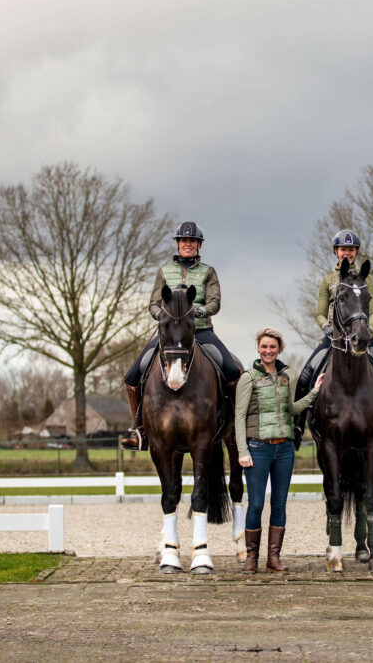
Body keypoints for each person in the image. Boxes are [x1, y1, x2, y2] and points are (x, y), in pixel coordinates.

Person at [122, 221, 242, 451]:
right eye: (184, 241)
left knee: (231, 371)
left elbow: (214, 302)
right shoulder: (164, 271)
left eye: (192, 241)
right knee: (132, 377)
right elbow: (153, 304)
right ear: (178, 244)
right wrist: (162, 316)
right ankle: (139, 429)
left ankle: (235, 428)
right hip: (169, 334)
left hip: (201, 331)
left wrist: (202, 310)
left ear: (199, 245)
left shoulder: (208, 272)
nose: (188, 245)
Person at [293, 229, 373, 449]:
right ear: (336, 252)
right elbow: (320, 312)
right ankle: (297, 427)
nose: (347, 253)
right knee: (304, 378)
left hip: (362, 336)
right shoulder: (328, 280)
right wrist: (326, 328)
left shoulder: (365, 278)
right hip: (335, 337)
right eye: (343, 249)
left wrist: (368, 329)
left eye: (351, 249)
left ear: (356, 252)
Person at [235, 327, 322, 573]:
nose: (268, 351)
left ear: (279, 349)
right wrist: (243, 450)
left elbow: (291, 410)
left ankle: (273, 558)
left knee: (280, 504)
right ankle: (252, 558)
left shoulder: (285, 377)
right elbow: (239, 415)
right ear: (258, 348)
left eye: (272, 347)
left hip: (284, 449)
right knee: (255, 505)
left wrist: (314, 393)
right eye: (264, 346)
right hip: (257, 448)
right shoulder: (248, 377)